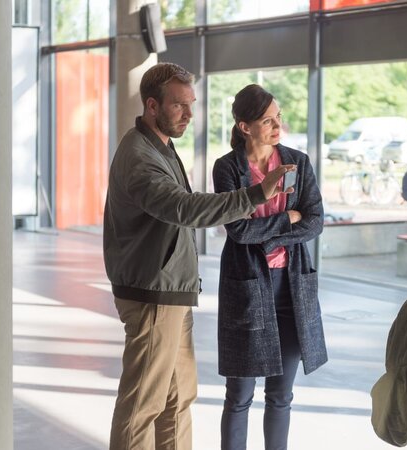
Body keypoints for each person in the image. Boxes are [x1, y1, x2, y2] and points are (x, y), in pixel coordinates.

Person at [103, 63, 294, 450]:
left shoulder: (160, 146)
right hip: (152, 295)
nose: (189, 114)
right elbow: (185, 208)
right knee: (143, 406)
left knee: (177, 400)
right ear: (152, 106)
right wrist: (258, 195)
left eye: (191, 104)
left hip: (170, 292)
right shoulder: (140, 155)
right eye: (179, 105)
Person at [212, 84, 328, 450]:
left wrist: (265, 234)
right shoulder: (228, 168)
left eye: (278, 117)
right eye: (268, 120)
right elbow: (238, 230)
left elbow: (315, 221)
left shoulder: (297, 162)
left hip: (291, 287)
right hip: (246, 287)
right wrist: (286, 219)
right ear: (244, 127)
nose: (278, 126)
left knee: (281, 394)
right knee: (239, 394)